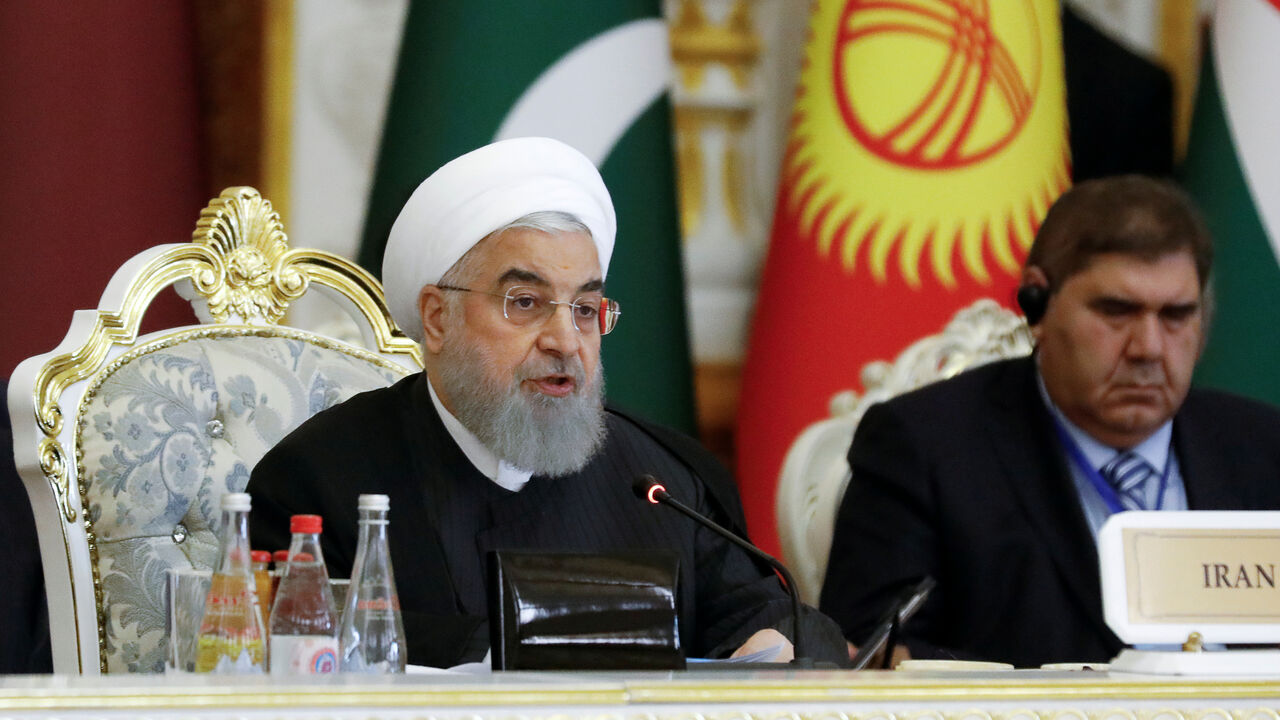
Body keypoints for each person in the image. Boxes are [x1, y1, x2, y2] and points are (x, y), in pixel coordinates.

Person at [248, 137, 844, 668]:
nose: (565, 341)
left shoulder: (663, 483)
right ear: (436, 317)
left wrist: (777, 644)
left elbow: (777, 620)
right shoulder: (317, 481)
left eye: (585, 310)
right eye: (526, 302)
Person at [819, 175, 1280, 668]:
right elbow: (865, 656)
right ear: (1037, 304)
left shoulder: (1262, 446)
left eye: (1175, 315)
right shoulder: (925, 447)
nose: (1148, 347)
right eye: (1117, 311)